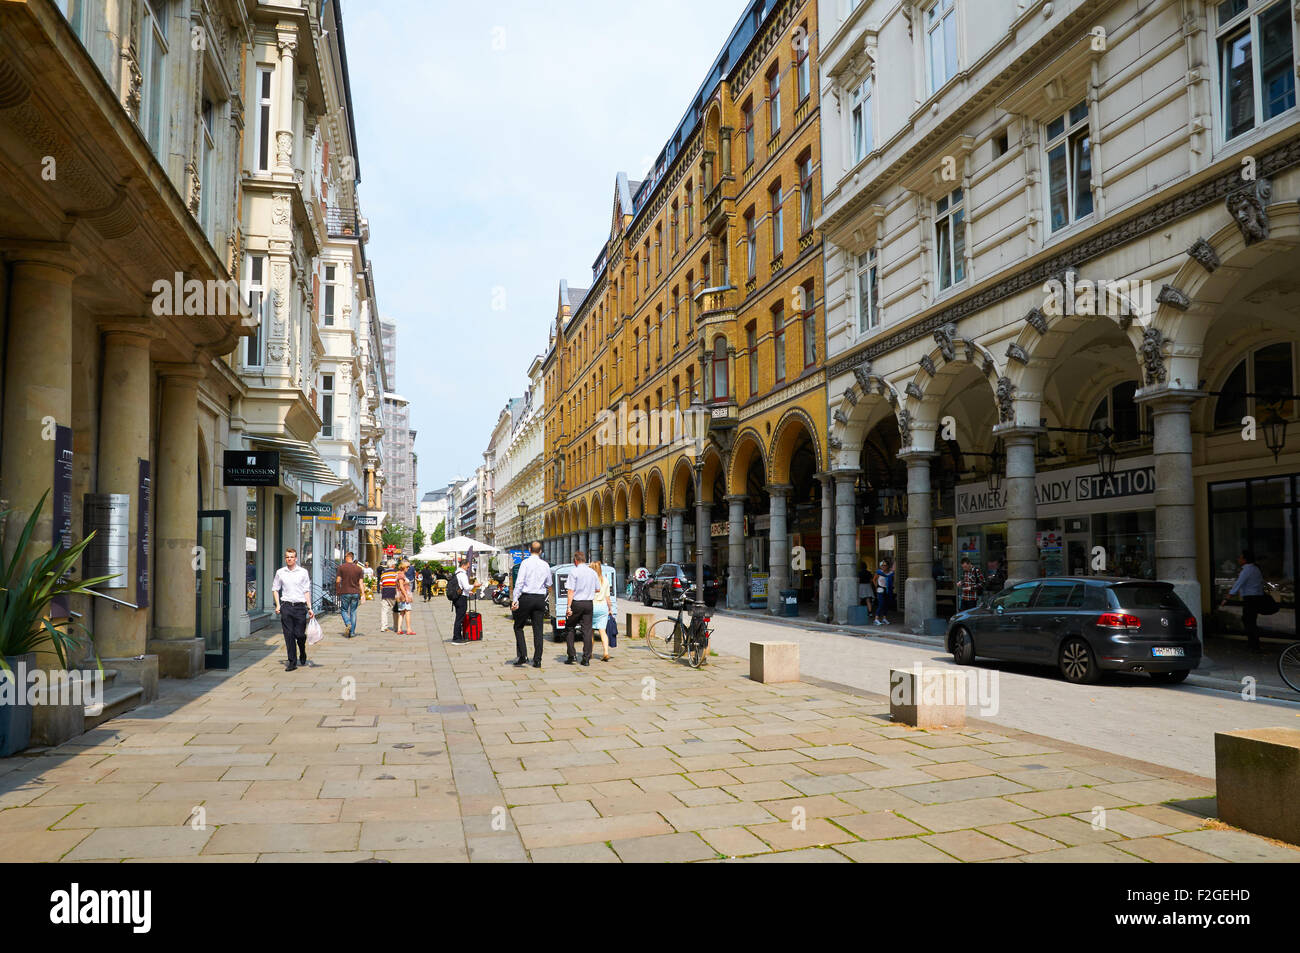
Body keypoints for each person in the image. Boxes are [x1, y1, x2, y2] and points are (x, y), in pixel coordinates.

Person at [511, 541, 552, 668]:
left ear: (529, 550)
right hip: (539, 598)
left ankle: (523, 655)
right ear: (540, 551)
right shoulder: (545, 565)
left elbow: (519, 582)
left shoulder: (525, 563)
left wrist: (515, 599)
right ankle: (537, 659)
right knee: (538, 630)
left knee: (518, 626)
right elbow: (549, 583)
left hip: (526, 597)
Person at [272, 548, 314, 671]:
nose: (289, 559)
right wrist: (278, 605)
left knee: (300, 634)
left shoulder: (303, 572)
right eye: (287, 557)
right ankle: (292, 662)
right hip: (286, 606)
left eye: (291, 557)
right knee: (288, 635)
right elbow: (275, 588)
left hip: (300, 607)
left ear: (296, 558)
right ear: (285, 558)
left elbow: (306, 590)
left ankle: (302, 650)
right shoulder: (280, 572)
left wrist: (309, 607)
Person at [1220, 549, 1266, 653]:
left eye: (1240, 557)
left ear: (1245, 559)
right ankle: (1254, 644)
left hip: (1250, 598)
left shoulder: (1247, 570)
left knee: (1248, 621)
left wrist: (1227, 598)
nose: (1238, 559)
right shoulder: (1255, 569)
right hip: (1256, 597)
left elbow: (1238, 584)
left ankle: (1253, 645)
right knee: (1251, 620)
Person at [564, 551, 599, 666]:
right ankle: (586, 658)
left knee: (569, 627)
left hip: (577, 603)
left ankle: (572, 655)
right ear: (584, 560)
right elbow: (597, 589)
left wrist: (568, 607)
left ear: (575, 561)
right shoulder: (592, 572)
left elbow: (570, 591)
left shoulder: (574, 572)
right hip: (589, 603)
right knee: (587, 630)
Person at [590, 559, 614, 662]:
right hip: (602, 607)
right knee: (602, 631)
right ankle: (606, 652)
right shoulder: (605, 580)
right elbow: (608, 598)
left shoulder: (590, 580)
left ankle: (590, 652)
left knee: (590, 632)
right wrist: (610, 609)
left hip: (591, 606)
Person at [336, 551, 364, 638]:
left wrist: (338, 590)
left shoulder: (341, 567)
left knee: (344, 610)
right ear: (352, 557)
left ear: (346, 557)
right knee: (353, 611)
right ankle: (352, 632)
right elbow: (361, 583)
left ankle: (348, 623)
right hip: (355, 592)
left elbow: (338, 581)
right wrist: (363, 594)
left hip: (345, 591)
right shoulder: (359, 569)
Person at [451, 557, 473, 644]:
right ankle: (457, 638)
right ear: (463, 565)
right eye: (467, 567)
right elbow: (466, 586)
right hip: (461, 598)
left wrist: (469, 591)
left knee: (459, 617)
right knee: (460, 618)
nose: (468, 569)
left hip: (457, 597)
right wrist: (474, 585)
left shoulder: (456, 573)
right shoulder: (462, 574)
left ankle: (457, 636)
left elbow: (462, 587)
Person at [872, 558, 894, 625]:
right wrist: (876, 586)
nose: (883, 567)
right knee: (881, 604)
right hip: (880, 590)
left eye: (885, 565)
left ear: (887, 566)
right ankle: (876, 619)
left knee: (886, 604)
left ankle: (884, 618)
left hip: (887, 590)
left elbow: (891, 579)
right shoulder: (879, 572)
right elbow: (874, 580)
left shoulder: (890, 573)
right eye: (882, 565)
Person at [379, 559, 399, 631]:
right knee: (395, 611)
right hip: (394, 593)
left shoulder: (383, 573)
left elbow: (381, 585)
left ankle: (384, 627)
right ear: (393, 566)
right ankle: (396, 627)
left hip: (385, 593)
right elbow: (398, 584)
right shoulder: (396, 573)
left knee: (384, 611)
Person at [395, 560, 414, 635]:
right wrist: (406, 596)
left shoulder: (400, 574)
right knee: (408, 612)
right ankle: (409, 629)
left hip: (401, 596)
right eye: (407, 567)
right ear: (403, 567)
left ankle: (399, 629)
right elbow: (401, 586)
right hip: (403, 596)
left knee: (402, 613)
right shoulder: (401, 575)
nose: (408, 568)